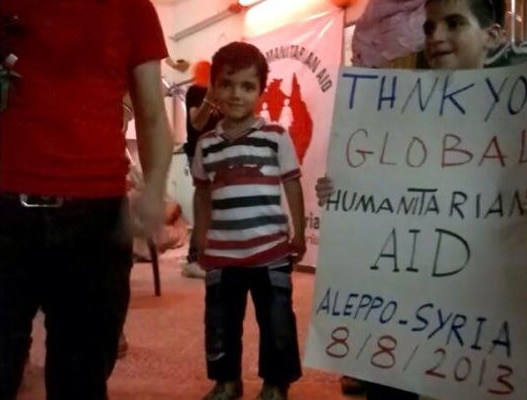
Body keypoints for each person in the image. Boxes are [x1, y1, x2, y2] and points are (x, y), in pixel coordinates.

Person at [315, 0, 527, 398]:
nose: (437, 37)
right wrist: (342, 194)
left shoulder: (519, 117)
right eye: (429, 27)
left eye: (454, 23)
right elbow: (373, 194)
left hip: (475, 310)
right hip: (397, 308)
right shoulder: (394, 113)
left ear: (493, 36)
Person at [0, 1, 173, 399]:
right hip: (5, 209)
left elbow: (151, 115)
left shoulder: (133, 9)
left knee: (81, 378)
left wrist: (154, 189)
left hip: (95, 218)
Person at [191, 41, 305, 400]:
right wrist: (200, 237)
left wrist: (298, 233)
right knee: (220, 324)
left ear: (260, 90)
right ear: (213, 89)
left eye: (247, 86)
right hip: (222, 255)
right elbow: (203, 193)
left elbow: (292, 185)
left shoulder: (275, 137)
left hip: (270, 249)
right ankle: (226, 380)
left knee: (277, 322)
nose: (236, 94)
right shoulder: (206, 144)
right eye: (226, 84)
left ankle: (276, 382)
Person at [181, 83, 221, 279]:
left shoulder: (228, 92)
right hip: (199, 152)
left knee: (217, 205)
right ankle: (194, 258)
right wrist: (210, 97)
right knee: (205, 202)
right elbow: (196, 122)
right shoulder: (196, 91)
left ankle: (208, 255)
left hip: (221, 154)